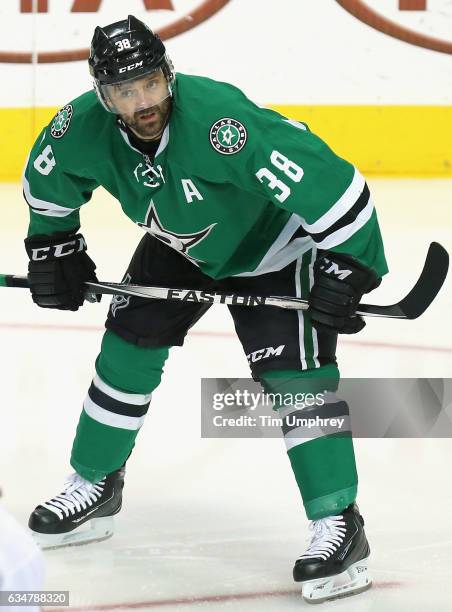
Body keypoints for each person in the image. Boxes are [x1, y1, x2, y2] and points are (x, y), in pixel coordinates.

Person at [23, 15, 387, 603]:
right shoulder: (81, 128)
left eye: (149, 84)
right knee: (126, 347)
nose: (142, 102)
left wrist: (348, 266)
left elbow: (334, 184)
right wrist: (53, 248)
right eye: (123, 91)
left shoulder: (223, 123)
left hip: (274, 242)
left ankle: (339, 523)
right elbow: (46, 181)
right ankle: (95, 483)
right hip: (179, 244)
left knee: (293, 376)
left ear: (168, 74)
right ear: (102, 95)